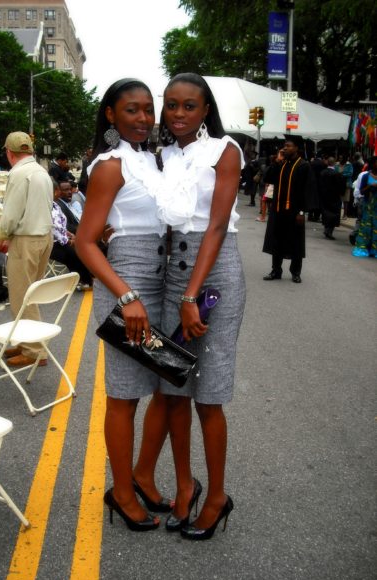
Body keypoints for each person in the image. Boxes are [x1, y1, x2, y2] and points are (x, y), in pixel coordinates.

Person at [134, 73, 246, 541]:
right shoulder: (162, 157)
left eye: (189, 106)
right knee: (172, 389)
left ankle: (217, 496)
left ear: (205, 110)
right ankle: (185, 487)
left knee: (209, 397)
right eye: (171, 105)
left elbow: (217, 227)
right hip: (172, 277)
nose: (178, 114)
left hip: (213, 278)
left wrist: (189, 297)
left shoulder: (225, 150)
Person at [75, 79, 167, 532]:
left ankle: (144, 474)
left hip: (161, 280)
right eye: (132, 110)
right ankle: (122, 491)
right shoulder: (110, 165)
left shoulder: (152, 160)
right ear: (110, 115)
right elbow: (85, 242)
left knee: (169, 387)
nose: (144, 118)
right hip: (126, 288)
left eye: (149, 109)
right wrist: (126, 297)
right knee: (126, 394)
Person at [0, 131, 53, 367]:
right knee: (30, 294)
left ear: (9, 152)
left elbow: (11, 215)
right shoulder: (41, 171)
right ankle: (28, 343)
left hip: (26, 240)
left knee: (22, 297)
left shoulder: (18, 173)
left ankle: (35, 350)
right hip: (44, 237)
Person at [262, 136, 317, 283]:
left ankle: (295, 272)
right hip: (278, 210)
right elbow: (267, 178)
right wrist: (276, 161)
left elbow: (307, 190)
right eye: (284, 146)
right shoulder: (281, 164)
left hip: (294, 212)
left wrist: (301, 212)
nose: (285, 148)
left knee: (296, 242)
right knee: (277, 241)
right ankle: (276, 271)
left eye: (289, 146)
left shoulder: (303, 166)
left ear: (297, 148)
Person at [50, 180, 93, 287]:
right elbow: (53, 228)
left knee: (79, 248)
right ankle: (85, 281)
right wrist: (69, 240)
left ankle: (87, 277)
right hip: (52, 244)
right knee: (75, 252)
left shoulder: (55, 204)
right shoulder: (45, 206)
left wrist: (71, 235)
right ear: (55, 191)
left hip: (62, 240)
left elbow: (62, 225)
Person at [352, 155, 377, 258]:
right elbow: (362, 191)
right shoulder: (366, 176)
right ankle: (363, 247)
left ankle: (374, 249)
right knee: (366, 227)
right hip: (368, 205)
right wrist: (370, 186)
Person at [319, 157, 343, 240]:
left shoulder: (322, 172)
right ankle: (329, 231)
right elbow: (339, 186)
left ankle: (326, 228)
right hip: (334, 197)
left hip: (324, 196)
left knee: (325, 212)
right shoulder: (336, 174)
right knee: (334, 214)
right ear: (334, 163)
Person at [335, 155, 353, 219]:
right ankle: (338, 214)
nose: (340, 159)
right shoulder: (337, 164)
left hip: (346, 184)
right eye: (339, 158)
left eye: (341, 158)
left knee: (346, 200)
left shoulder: (349, 165)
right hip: (338, 184)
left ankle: (345, 214)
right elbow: (335, 172)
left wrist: (342, 175)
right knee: (338, 199)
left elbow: (350, 173)